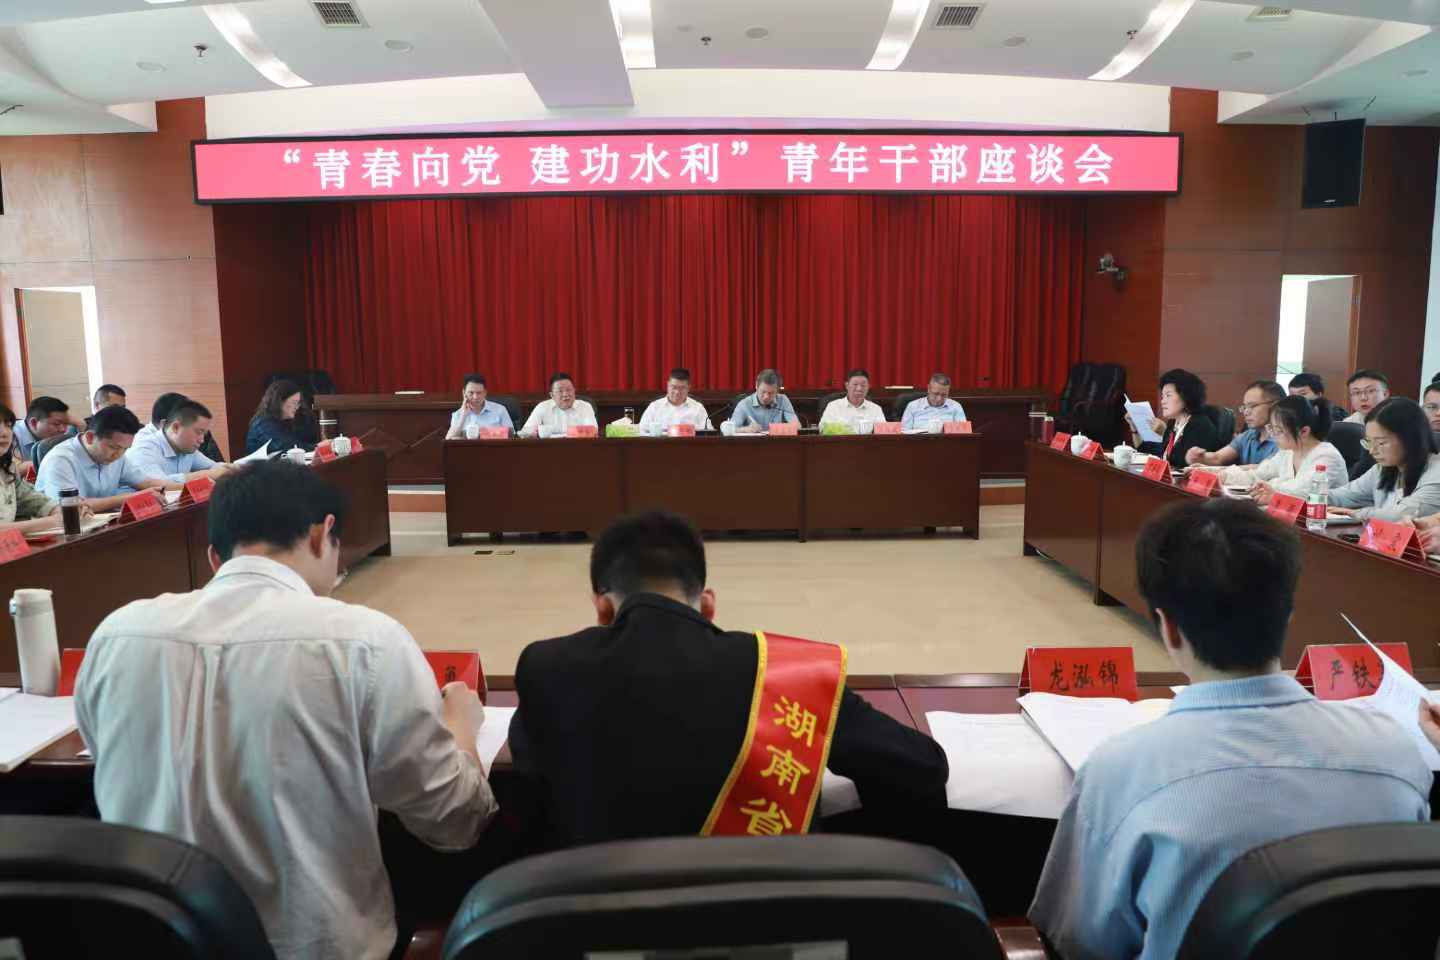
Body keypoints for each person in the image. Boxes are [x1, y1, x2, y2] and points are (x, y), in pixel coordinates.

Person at [75, 461, 497, 960]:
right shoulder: (363, 641)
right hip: (313, 947)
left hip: (150, 943)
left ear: (214, 557)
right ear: (323, 534)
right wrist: (460, 726)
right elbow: (453, 819)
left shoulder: (117, 634)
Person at [1029, 498, 1430, 960]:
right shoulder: (1396, 753)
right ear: (1287, 615)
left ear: (1168, 629)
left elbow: (1079, 942)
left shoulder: (1120, 772)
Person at [508, 511, 948, 851]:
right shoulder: (791, 674)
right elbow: (922, 769)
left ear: (602, 608)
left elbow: (527, 788)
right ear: (708, 605)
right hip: (767, 929)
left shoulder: (545, 669)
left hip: (593, 925)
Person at [35, 405, 172, 512]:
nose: (118, 454)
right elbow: (71, 508)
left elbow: (146, 482)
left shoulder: (118, 454)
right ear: (90, 437)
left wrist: (179, 488)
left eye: (125, 449)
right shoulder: (60, 460)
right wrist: (129, 498)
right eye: (114, 447)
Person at [1220, 396, 1348, 504]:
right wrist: (1224, 476)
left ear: (1304, 431)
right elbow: (1258, 474)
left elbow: (1302, 492)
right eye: (1272, 428)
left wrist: (1271, 484)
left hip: (1324, 522)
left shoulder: (1327, 456)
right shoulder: (1288, 452)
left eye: (1278, 430)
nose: (1273, 435)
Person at [1329, 397, 1440, 522]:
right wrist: (1315, 496)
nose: (1372, 451)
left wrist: (1356, 513)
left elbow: (1402, 515)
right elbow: (1340, 496)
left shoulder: (1437, 473)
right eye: (1369, 442)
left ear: (1411, 439)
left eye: (1381, 443)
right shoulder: (1381, 469)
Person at [0, 403, 80, 534]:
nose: (4, 433)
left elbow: (30, 498)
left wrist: (60, 510)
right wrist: (50, 522)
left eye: (8, 426)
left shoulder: (6, 468)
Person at [1128, 369, 1221, 469]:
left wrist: (1164, 432)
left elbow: (1184, 463)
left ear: (1186, 396)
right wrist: (1134, 427)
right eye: (1162, 396)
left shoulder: (1200, 425)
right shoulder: (1173, 423)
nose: (1162, 401)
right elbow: (1153, 453)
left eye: (1168, 395)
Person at [127, 399, 232, 484]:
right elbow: (159, 485)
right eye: (198, 432)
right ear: (176, 427)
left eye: (204, 433)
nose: (202, 440)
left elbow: (214, 467)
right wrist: (207, 474)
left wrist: (234, 468)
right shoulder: (143, 449)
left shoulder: (186, 447)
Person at [1186, 380, 1283, 467]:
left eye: (1252, 406)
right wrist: (1199, 457)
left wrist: (1223, 471)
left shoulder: (1286, 438)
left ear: (1275, 405)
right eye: (1244, 407)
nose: (1246, 412)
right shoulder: (1248, 436)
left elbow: (1266, 469)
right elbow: (1218, 458)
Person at [246, 379, 315, 455]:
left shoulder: (284, 422)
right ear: (280, 401)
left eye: (298, 403)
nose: (297, 407)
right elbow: (288, 448)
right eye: (294, 402)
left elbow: (296, 444)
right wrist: (317, 447)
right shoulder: (263, 424)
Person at [519, 372, 597, 437]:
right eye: (560, 391)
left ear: (574, 390)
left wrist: (548, 431)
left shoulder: (585, 406)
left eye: (569, 389)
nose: (565, 394)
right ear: (552, 395)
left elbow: (593, 432)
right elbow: (525, 432)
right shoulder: (542, 407)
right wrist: (538, 431)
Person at [639, 368, 711, 431]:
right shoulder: (655, 407)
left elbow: (709, 432)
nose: (677, 392)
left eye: (682, 388)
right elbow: (641, 430)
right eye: (674, 387)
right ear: (668, 385)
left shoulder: (698, 408)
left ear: (688, 388)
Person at [14, 396, 82, 464]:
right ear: (34, 423)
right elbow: (15, 467)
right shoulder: (12, 434)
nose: (63, 429)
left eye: (66, 423)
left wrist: (81, 425)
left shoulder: (65, 432)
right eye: (57, 424)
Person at [445, 373, 514, 439]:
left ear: (485, 393)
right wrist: (463, 416)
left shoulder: (500, 410)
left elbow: (511, 434)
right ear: (464, 393)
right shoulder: (458, 414)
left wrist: (478, 434)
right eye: (471, 393)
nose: (475, 397)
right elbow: (449, 439)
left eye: (479, 393)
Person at [728, 369, 797, 433]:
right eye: (763, 392)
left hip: (776, 441)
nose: (766, 397)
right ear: (756, 386)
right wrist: (746, 429)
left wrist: (773, 428)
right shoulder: (744, 404)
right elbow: (730, 429)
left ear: (777, 391)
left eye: (771, 393)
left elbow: (797, 426)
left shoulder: (783, 400)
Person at [819, 368, 886, 430]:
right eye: (855, 384)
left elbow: (883, 432)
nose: (859, 388)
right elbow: (823, 429)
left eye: (863, 385)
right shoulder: (833, 406)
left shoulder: (876, 409)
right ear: (847, 385)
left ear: (868, 387)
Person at [901, 374, 967, 431]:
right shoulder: (913, 406)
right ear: (928, 389)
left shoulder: (956, 407)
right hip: (918, 441)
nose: (939, 399)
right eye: (936, 394)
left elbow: (963, 433)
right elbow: (904, 432)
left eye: (944, 395)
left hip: (947, 441)